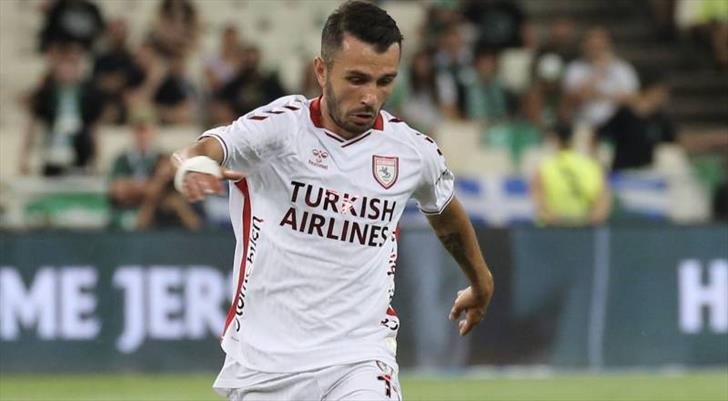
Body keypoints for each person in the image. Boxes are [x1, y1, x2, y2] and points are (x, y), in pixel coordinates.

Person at [170, 2, 494, 400]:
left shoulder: (412, 152)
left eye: (385, 81)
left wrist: (481, 280)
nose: (371, 97)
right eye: (356, 79)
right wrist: (197, 165)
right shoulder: (281, 129)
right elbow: (206, 148)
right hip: (263, 366)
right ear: (322, 71)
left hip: (359, 358)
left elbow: (444, 211)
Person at [20, 43, 104, 176]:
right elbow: (32, 125)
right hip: (53, 154)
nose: (67, 70)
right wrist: (24, 158)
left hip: (80, 154)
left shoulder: (88, 94)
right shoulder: (46, 93)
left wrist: (97, 160)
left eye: (72, 66)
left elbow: (94, 128)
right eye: (64, 66)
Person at [109, 118, 201, 231]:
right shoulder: (122, 160)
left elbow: (180, 189)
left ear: (154, 133)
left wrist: (135, 188)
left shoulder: (163, 158)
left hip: (160, 214)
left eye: (146, 131)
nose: (143, 136)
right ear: (132, 133)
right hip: (133, 210)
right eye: (139, 131)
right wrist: (158, 181)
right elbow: (118, 190)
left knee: (178, 204)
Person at [531, 124, 612, 226]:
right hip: (585, 230)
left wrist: (558, 221)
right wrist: (586, 221)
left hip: (551, 230)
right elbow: (603, 204)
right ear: (574, 140)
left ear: (553, 140)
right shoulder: (592, 167)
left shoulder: (543, 168)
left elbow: (539, 205)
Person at [562, 27, 639, 129]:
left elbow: (633, 100)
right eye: (592, 45)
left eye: (599, 45)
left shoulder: (623, 68)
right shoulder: (574, 69)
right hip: (585, 123)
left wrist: (599, 95)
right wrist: (597, 73)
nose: (595, 49)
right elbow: (575, 99)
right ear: (584, 45)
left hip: (616, 124)